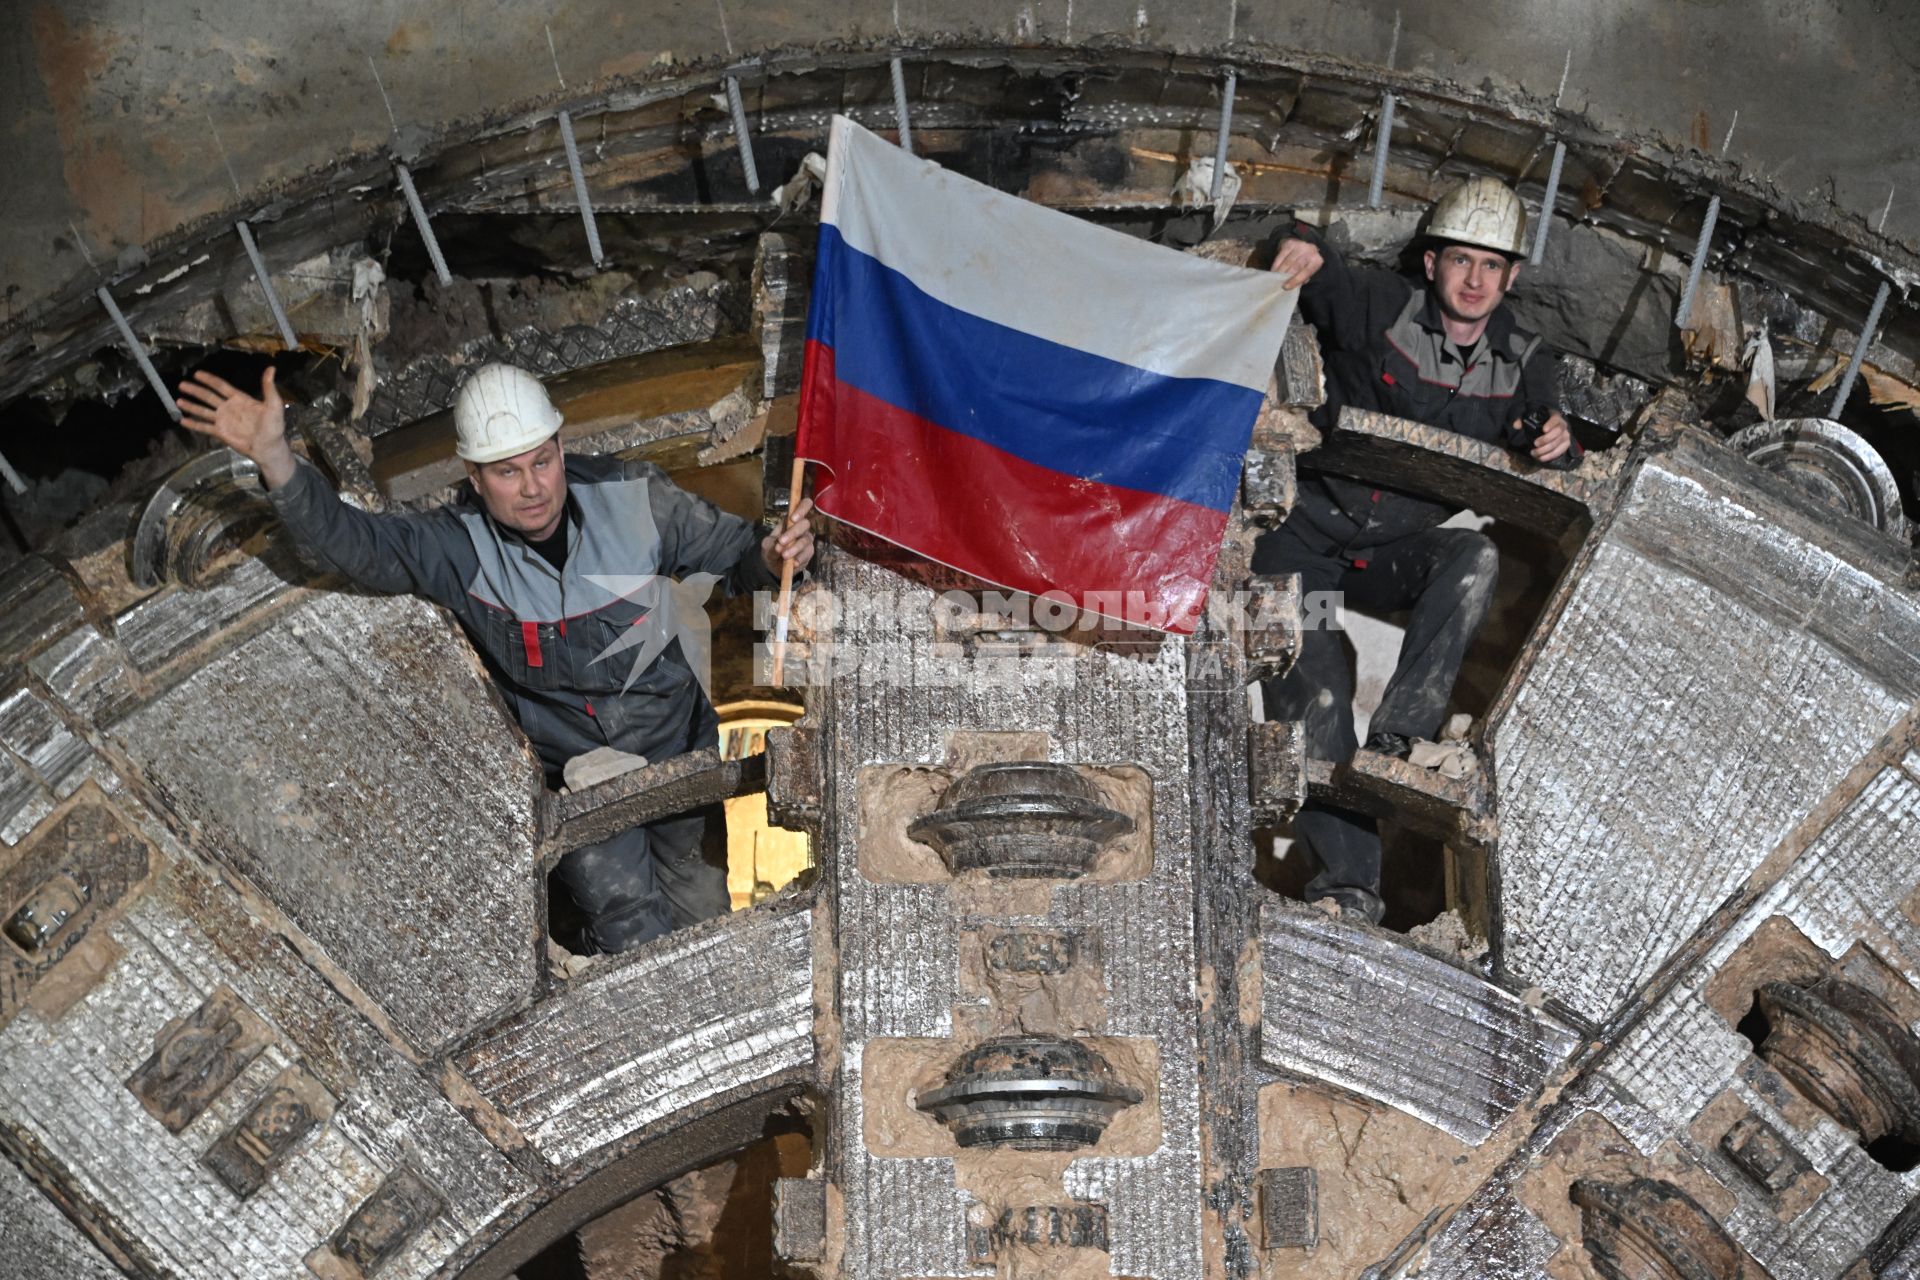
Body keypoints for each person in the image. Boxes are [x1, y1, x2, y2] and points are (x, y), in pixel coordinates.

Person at [176, 361, 815, 954]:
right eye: (507, 472)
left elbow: (732, 553)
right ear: (473, 478)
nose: (533, 488)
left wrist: (771, 556)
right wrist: (276, 459)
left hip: (678, 744)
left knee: (702, 900)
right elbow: (354, 545)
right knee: (627, 921)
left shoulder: (636, 499)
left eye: (542, 461)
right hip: (578, 773)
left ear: (562, 447)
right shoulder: (460, 550)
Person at [1257, 176, 1577, 926]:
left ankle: (1401, 737)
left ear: (1512, 277)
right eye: (1462, 260)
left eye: (1492, 266)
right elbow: (1310, 252)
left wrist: (1558, 443)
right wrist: (1294, 246)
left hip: (1389, 555)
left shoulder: (1523, 359)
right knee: (1323, 698)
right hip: (1303, 542)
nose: (1475, 280)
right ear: (1431, 262)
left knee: (1474, 558)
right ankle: (1349, 892)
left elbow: (1548, 432)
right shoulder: (1380, 306)